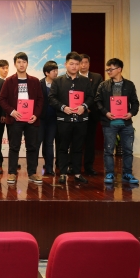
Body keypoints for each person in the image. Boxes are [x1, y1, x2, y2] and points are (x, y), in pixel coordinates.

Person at [0, 52, 44, 184]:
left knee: (32, 147)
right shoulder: (9, 81)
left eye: (24, 62)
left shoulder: (34, 81)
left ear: (27, 64)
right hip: (15, 119)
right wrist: (12, 112)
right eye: (19, 62)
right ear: (15, 64)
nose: (21, 64)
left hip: (31, 119)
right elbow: (1, 99)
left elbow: (40, 100)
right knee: (14, 147)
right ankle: (12, 173)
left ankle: (32, 173)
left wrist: (36, 114)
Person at [49, 51, 93, 185]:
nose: (74, 67)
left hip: (80, 120)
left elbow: (91, 97)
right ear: (66, 64)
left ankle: (77, 173)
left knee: (78, 148)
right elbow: (51, 98)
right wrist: (63, 107)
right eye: (71, 64)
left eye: (77, 64)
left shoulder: (85, 81)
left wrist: (84, 106)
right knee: (63, 147)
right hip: (64, 120)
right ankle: (63, 173)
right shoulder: (58, 81)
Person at [95, 58, 140, 184]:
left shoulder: (129, 85)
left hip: (126, 123)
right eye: (107, 69)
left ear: (119, 69)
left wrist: (131, 113)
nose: (108, 71)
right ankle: (110, 174)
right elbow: (97, 101)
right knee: (108, 150)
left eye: (111, 69)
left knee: (128, 150)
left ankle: (127, 174)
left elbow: (135, 103)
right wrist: (106, 112)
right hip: (109, 123)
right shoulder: (103, 85)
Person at [79, 53, 103, 176]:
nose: (83, 65)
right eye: (81, 62)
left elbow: (99, 95)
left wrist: (88, 107)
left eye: (86, 62)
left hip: (91, 114)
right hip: (77, 114)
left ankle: (89, 167)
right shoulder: (74, 77)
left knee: (90, 142)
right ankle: (75, 167)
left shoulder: (97, 77)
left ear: (89, 64)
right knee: (76, 142)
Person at [38, 60, 59, 176]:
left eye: (56, 70)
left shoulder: (59, 84)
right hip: (41, 118)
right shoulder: (39, 83)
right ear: (47, 73)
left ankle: (49, 168)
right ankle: (33, 168)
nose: (56, 73)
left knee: (49, 143)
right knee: (38, 142)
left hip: (53, 118)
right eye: (53, 71)